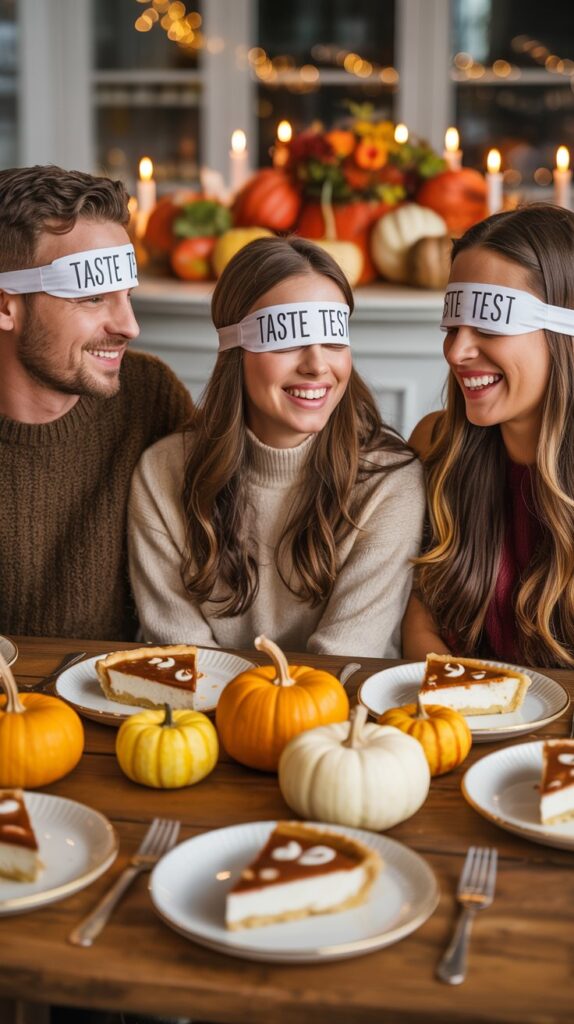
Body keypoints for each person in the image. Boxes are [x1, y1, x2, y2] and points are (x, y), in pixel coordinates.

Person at [128, 236, 425, 658]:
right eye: (288, 339)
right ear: (236, 350)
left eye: (334, 339)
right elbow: (184, 659)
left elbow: (342, 659)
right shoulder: (162, 473)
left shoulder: (390, 482)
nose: (317, 365)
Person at [0, 164, 193, 642]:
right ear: (7, 306)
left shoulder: (151, 395)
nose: (129, 326)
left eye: (126, 295)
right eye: (92, 298)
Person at [403, 203, 574, 668]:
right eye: (452, 326)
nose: (457, 351)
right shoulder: (435, 445)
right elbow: (419, 616)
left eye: (489, 324)